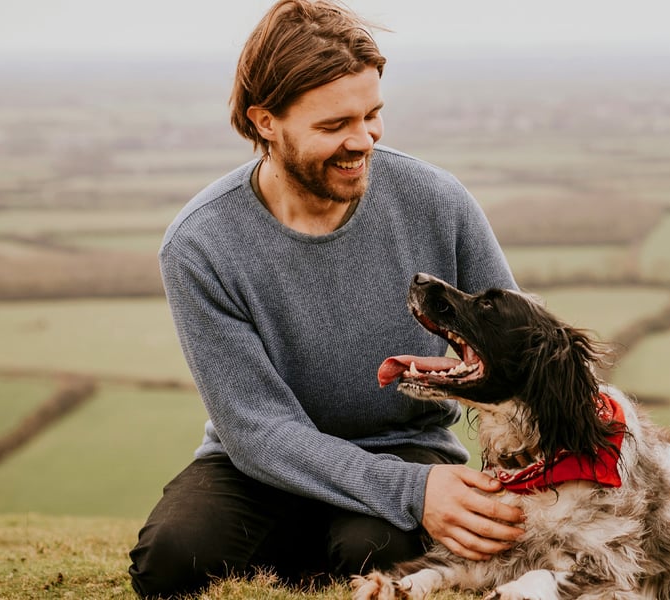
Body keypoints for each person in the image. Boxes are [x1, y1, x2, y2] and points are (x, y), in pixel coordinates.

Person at [127, 1, 527, 597]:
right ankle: (319, 546)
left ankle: (329, 549)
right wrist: (411, 496)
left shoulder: (437, 202)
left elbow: (517, 352)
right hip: (262, 466)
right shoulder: (201, 244)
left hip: (404, 448)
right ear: (266, 122)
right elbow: (258, 431)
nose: (362, 140)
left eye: (372, 115)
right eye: (334, 125)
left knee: (376, 551)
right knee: (172, 560)